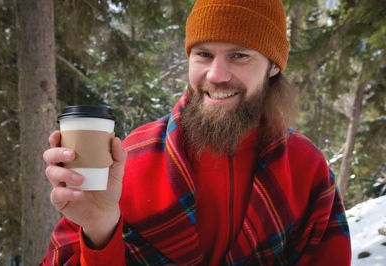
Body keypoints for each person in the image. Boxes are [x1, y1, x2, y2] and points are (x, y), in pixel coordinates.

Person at [41, 0, 352, 265]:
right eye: (203, 54)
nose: (216, 75)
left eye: (239, 55)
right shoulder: (128, 160)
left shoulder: (306, 168)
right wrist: (99, 229)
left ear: (273, 66)